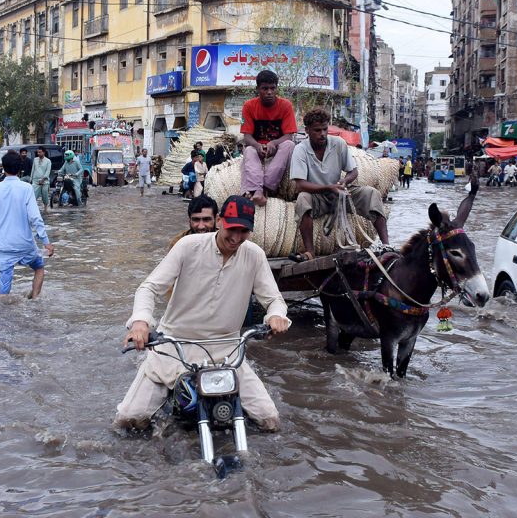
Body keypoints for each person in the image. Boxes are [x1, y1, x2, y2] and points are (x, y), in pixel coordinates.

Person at [116, 195, 291, 431]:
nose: (236, 238)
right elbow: (149, 288)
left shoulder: (254, 255)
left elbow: (274, 299)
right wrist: (140, 323)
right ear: (220, 221)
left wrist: (276, 316)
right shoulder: (188, 247)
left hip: (227, 352)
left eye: (244, 231)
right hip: (174, 348)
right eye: (232, 229)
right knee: (129, 419)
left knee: (270, 421)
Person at [290, 108, 389, 260]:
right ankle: (310, 252)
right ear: (307, 130)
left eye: (324, 129)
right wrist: (329, 187)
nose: (322, 134)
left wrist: (344, 181)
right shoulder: (300, 150)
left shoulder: (338, 144)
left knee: (372, 194)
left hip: (339, 193)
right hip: (317, 196)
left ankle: (386, 245)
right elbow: (301, 185)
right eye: (317, 130)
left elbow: (353, 172)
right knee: (303, 199)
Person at [0, 151, 55, 298]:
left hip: (3, 248)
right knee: (39, 268)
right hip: (25, 245)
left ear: (3, 168)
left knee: (3, 293)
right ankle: (34, 301)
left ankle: (3, 316)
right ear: (20, 169)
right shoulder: (26, 188)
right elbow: (36, 218)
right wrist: (46, 243)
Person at [240, 70, 298, 207]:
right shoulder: (249, 106)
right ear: (258, 89)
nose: (269, 92)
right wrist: (257, 146)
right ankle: (257, 190)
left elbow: (289, 135)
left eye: (273, 88)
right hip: (257, 148)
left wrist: (274, 143)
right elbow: (247, 136)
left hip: (278, 148)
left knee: (289, 144)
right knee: (248, 151)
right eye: (265, 88)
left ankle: (267, 186)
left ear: (277, 88)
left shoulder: (286, 105)